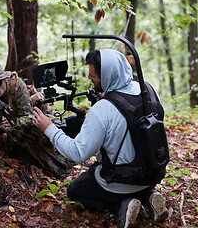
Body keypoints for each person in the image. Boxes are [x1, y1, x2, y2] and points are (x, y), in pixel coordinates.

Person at [33, 49, 168, 228]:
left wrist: (48, 128)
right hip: (152, 174)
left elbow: (78, 153)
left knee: (75, 190)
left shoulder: (103, 109)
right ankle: (148, 196)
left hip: (119, 181)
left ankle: (123, 204)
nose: (90, 79)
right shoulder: (148, 90)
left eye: (94, 76)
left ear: (107, 77)